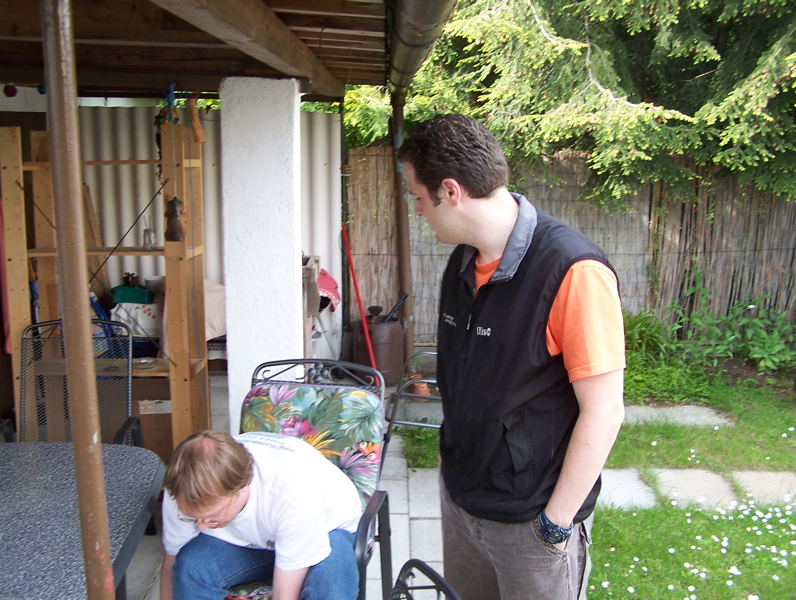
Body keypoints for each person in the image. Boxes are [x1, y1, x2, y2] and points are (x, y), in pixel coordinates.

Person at [396, 114, 626, 600]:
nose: (416, 210)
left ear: (451, 191)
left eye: (417, 197)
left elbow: (605, 411)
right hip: (462, 500)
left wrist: (555, 524)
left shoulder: (573, 270)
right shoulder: (462, 262)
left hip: (531, 523)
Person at [160, 430, 362, 600]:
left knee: (331, 587)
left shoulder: (290, 490)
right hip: (257, 539)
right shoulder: (183, 487)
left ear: (243, 486)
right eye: (193, 518)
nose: (201, 527)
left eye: (213, 515)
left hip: (327, 530)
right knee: (190, 567)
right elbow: (172, 560)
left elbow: (285, 595)